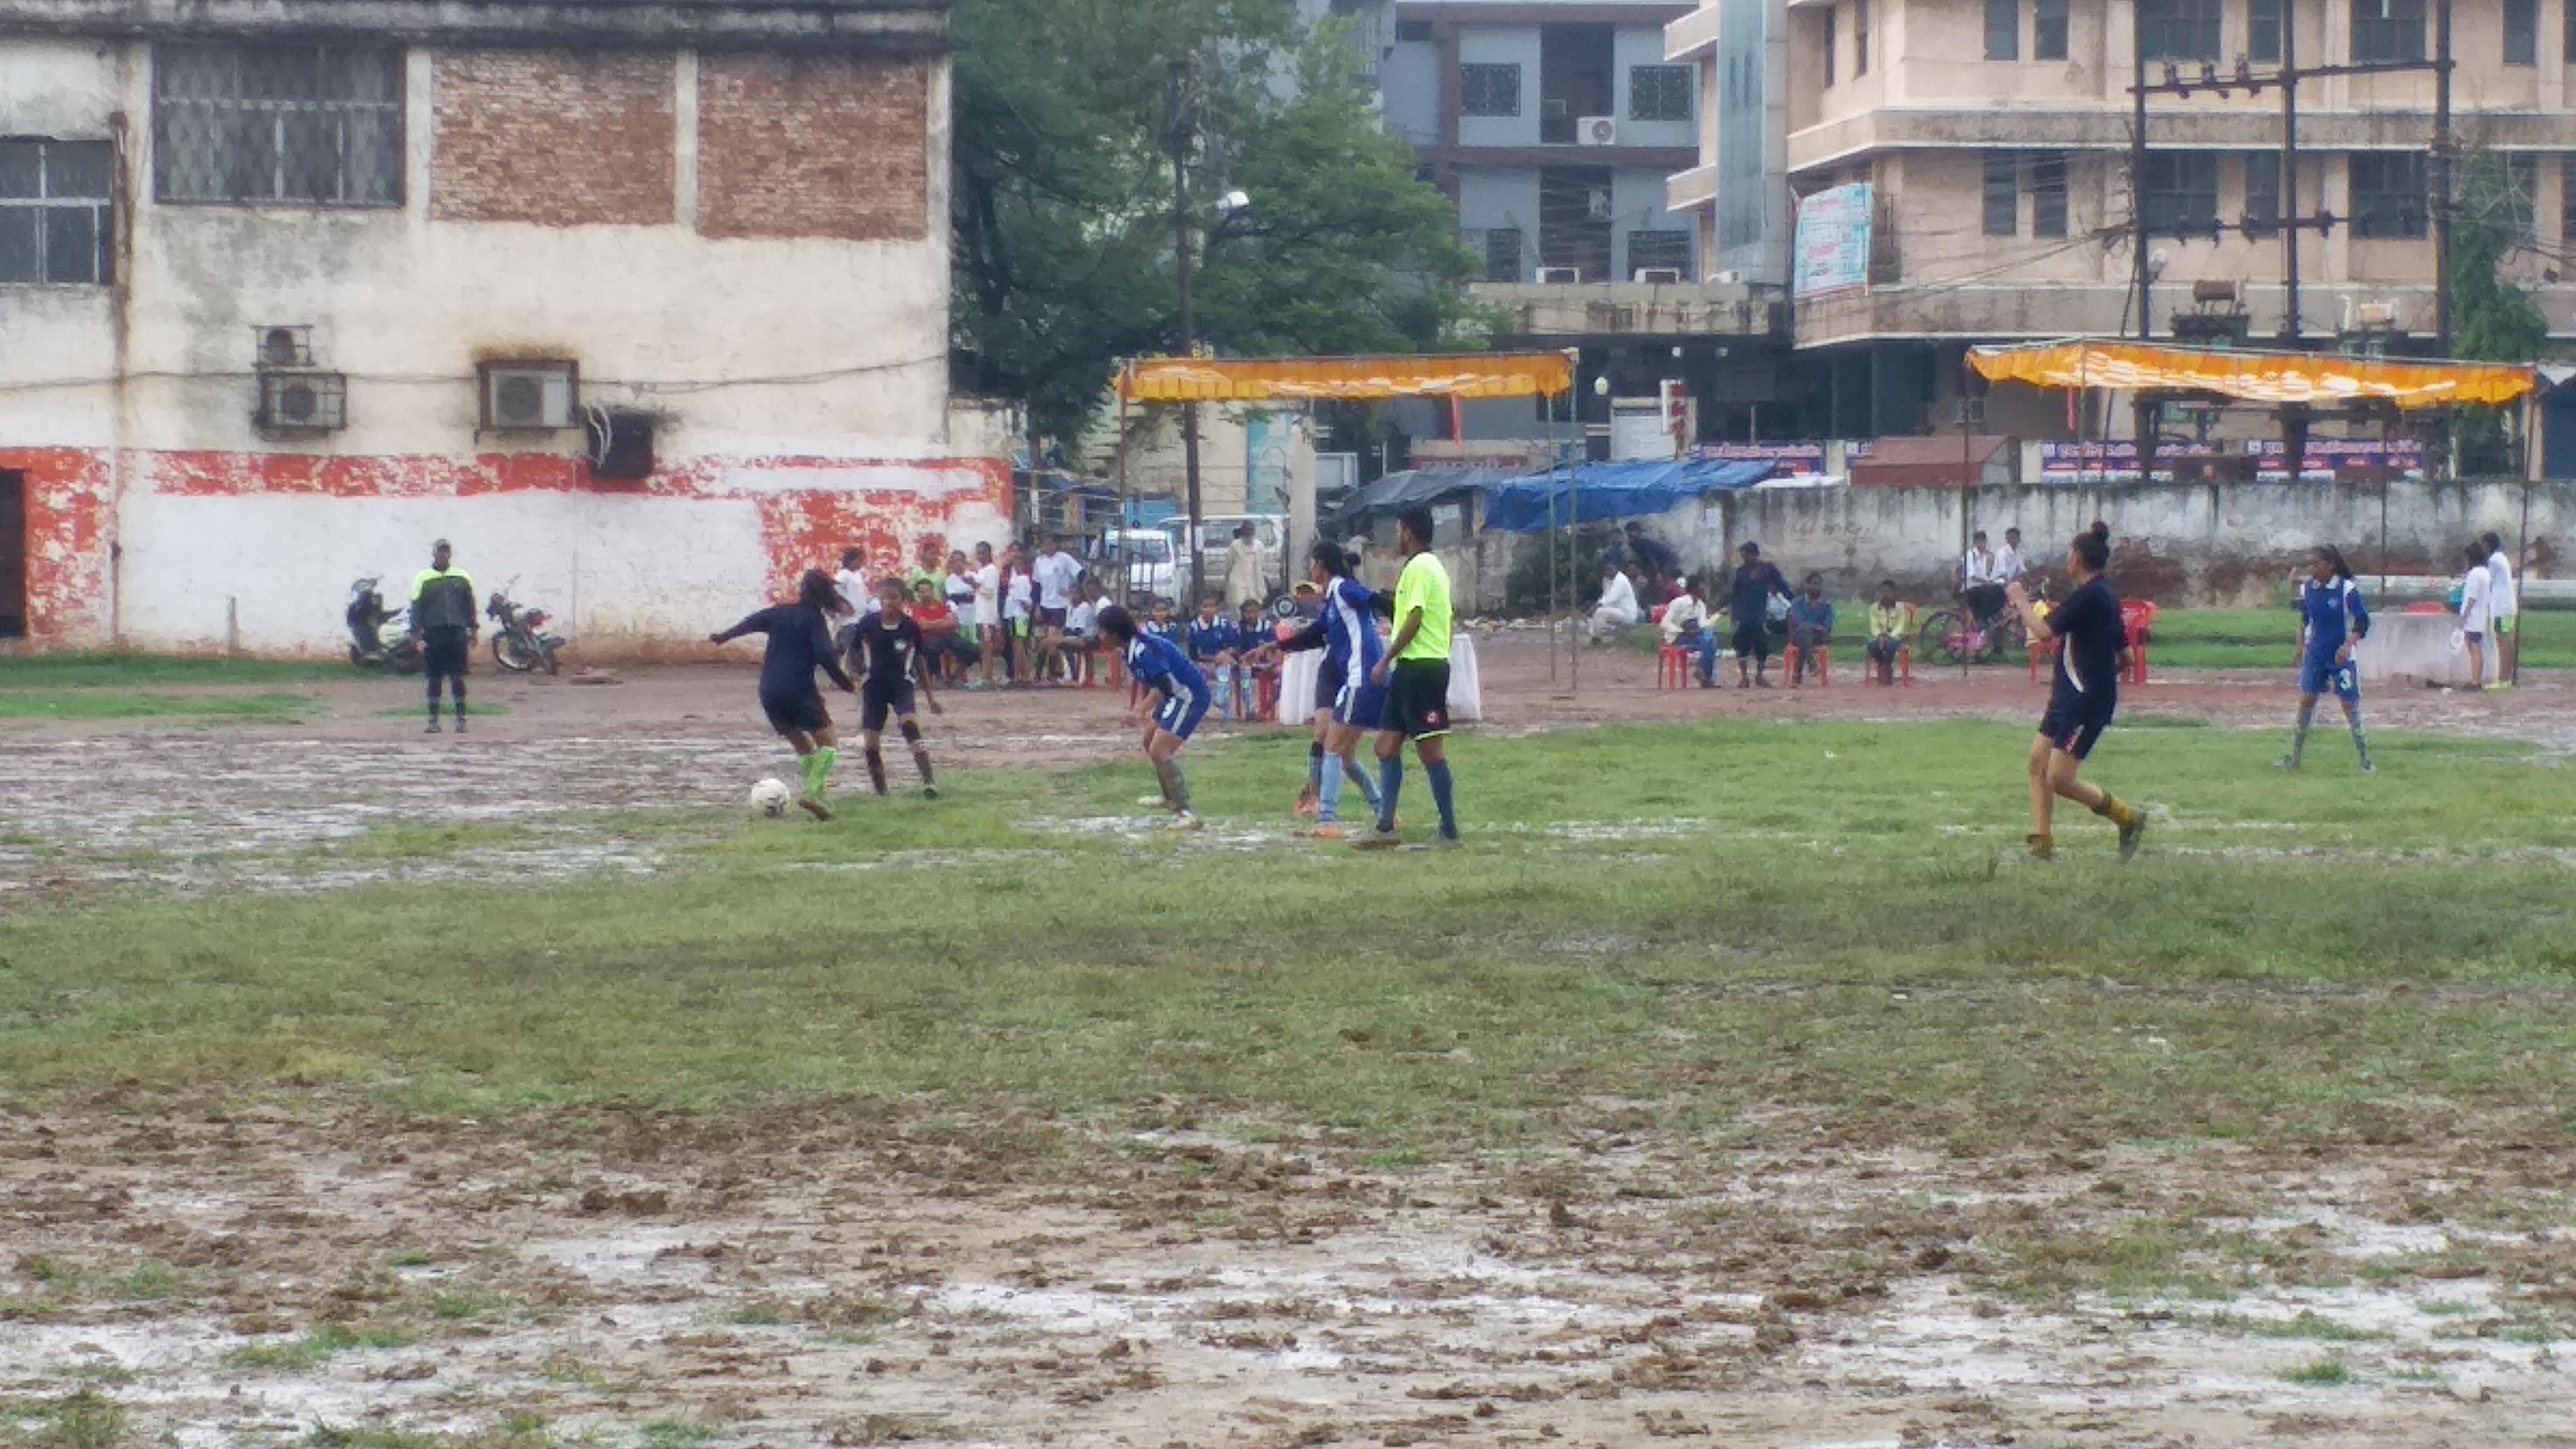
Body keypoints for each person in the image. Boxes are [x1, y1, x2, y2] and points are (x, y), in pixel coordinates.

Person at [2008, 523, 2146, 862]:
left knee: (2060, 778)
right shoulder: (2102, 596)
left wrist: (2020, 601)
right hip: (2071, 696)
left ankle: (2128, 818)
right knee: (2037, 762)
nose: (2066, 560)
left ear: (2078, 559)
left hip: (2084, 700)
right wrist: (2096, 675)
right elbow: (2125, 658)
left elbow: (2042, 632)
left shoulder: (2090, 597)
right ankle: (2042, 845)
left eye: (2069, 554)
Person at [1258, 541, 1389, 835]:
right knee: (1344, 754)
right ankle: (1382, 811)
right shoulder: (1333, 600)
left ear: (1320, 564)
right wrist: (1277, 645)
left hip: (1361, 677)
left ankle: (1327, 819)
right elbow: (1317, 635)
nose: (1310, 569)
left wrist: (1405, 616)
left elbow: (1374, 599)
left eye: (1312, 563)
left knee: (1331, 747)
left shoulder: (1343, 588)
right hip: (1363, 677)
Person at [710, 569, 859, 820]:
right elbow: (824, 655)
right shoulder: (814, 620)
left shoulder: (779, 613)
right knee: (830, 742)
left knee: (804, 748)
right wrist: (845, 683)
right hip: (798, 689)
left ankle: (818, 796)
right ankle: (812, 792)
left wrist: (724, 636)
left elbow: (751, 622)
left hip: (769, 691)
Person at [1357, 505, 1461, 850]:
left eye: (1398, 529)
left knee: (1430, 750)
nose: (1395, 536)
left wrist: (1385, 658)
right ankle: (1385, 827)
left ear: (1409, 532)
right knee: (1385, 747)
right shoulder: (1429, 568)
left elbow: (1415, 617)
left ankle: (1449, 831)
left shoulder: (1420, 568)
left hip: (1422, 669)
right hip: (1412, 668)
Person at [1098, 603, 1211, 831]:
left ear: (1112, 633)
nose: (1099, 636)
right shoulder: (1130, 649)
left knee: (1160, 750)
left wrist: (1140, 710)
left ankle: (1187, 812)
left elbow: (1163, 684)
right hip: (1174, 696)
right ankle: (1170, 796)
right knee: (1149, 742)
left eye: (1102, 631)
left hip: (1188, 696)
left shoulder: (1143, 650)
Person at [2276, 546, 2374, 774]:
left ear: (2330, 565)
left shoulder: (2345, 589)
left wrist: (2348, 644)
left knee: (2350, 706)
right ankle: (2295, 758)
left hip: (2340, 657)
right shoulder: (2308, 588)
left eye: (2316, 564)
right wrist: (2299, 648)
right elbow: (2305, 620)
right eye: (2310, 564)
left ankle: (2365, 761)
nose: (2312, 569)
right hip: (2316, 655)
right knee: (2306, 702)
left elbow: (2363, 622)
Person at [851, 578, 943, 798]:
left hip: (902, 684)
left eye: (895, 598)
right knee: (871, 742)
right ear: (878, 599)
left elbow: (919, 661)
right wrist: (855, 677)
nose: (889, 602)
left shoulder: (910, 627)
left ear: (904, 600)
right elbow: (852, 654)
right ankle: (881, 792)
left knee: (909, 724)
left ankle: (929, 781)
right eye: (885, 597)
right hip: (874, 687)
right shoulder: (867, 625)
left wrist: (930, 697)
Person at [409, 539, 479, 735]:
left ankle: (461, 720)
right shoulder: (423, 578)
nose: (443, 556)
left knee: (458, 678)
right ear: (434, 554)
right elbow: (416, 607)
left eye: (446, 552)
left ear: (450, 555)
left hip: (456, 633)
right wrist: (415, 633)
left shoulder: (462, 577)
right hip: (434, 633)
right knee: (434, 678)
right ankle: (433, 721)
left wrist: (473, 630)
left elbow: (470, 606)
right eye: (440, 552)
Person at [1727, 542, 1791, 688]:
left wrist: (1791, 599)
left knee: (1761, 644)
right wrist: (1731, 607)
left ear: (1754, 554)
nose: (1744, 559)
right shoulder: (1741, 572)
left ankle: (1760, 675)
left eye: (1746, 555)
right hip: (1743, 612)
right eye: (1742, 556)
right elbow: (1734, 592)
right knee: (1741, 645)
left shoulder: (1767, 569)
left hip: (1760, 612)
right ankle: (1744, 677)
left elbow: (1781, 585)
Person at [1031, 533, 1083, 676]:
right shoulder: (1039, 562)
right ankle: (1041, 673)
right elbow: (1036, 586)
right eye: (1045, 544)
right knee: (1043, 641)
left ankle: (1064, 672)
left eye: (1050, 544)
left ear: (1056, 545)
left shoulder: (1063, 559)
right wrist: (1036, 606)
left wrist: (1073, 593)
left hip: (1060, 605)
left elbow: (1081, 573)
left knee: (1056, 640)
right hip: (1044, 604)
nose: (1048, 547)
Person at [911, 579, 977, 684]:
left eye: (928, 591)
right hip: (929, 638)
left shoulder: (943, 605)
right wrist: (943, 622)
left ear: (932, 591)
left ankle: (955, 675)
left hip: (949, 636)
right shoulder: (917, 608)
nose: (926, 594)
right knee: (931, 648)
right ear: (918, 594)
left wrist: (932, 624)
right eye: (922, 592)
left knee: (973, 651)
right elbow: (923, 627)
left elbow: (953, 623)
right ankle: (938, 676)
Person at [1186, 597, 1243, 719]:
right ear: (1200, 609)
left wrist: (1224, 655)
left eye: (1212, 606)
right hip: (1203, 663)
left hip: (1223, 661)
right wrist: (1213, 660)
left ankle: (1222, 703)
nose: (1209, 610)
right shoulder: (1194, 627)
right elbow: (1194, 654)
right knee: (1199, 674)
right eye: (1206, 607)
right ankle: (1200, 712)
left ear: (1217, 609)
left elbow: (1234, 646)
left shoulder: (1224, 625)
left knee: (1225, 669)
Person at [1658, 576, 1718, 687]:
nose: (1703, 590)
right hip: (1678, 637)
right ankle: (1706, 675)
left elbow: (1702, 625)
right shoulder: (1679, 603)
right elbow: (1665, 623)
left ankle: (1704, 673)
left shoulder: (1701, 605)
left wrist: (1716, 617)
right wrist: (1682, 631)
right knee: (1709, 641)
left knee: (1710, 639)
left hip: (1695, 637)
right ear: (1694, 588)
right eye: (1701, 587)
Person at [2483, 531, 2518, 690]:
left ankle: (2504, 677)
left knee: (2503, 641)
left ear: (2487, 545)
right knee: (2506, 640)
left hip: (2501, 606)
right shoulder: (2502, 558)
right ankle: (2507, 675)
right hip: (2506, 605)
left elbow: (2487, 580)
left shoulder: (2494, 561)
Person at [2456, 541, 2494, 691]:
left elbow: (2471, 598)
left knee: (2474, 648)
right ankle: (2475, 678)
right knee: (2475, 647)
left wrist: (2463, 617)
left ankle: (2475, 680)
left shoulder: (2474, 575)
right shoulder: (2485, 573)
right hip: (2481, 614)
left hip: (2473, 616)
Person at [1787, 572, 1834, 681]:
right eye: (1813, 584)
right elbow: (1799, 622)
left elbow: (1828, 625)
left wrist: (1814, 627)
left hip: (1819, 637)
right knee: (1804, 633)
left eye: (1819, 584)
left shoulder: (1826, 605)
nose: (1816, 587)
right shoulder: (1797, 603)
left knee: (1804, 634)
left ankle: (1798, 672)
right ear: (1807, 586)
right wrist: (1817, 627)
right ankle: (1811, 664)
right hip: (1800, 635)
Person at [999, 544, 1035, 684]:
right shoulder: (1015, 577)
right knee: (1018, 645)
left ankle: (1019, 674)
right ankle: (1024, 674)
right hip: (1015, 614)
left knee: (1019, 645)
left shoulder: (1022, 580)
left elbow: (1023, 600)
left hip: (1019, 615)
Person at [1865, 581, 1914, 685]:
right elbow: (1874, 626)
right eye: (1883, 592)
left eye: (1889, 592)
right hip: (1879, 637)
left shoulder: (1900, 607)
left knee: (1890, 645)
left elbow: (1900, 626)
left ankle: (1886, 666)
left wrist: (1889, 636)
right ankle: (1882, 666)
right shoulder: (1874, 608)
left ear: (1894, 594)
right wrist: (1880, 636)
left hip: (1896, 637)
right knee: (1872, 646)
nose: (1886, 595)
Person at [970, 542, 1003, 688]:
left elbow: (990, 593)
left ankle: (986, 677)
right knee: (984, 646)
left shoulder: (990, 571)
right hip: (981, 613)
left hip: (987, 615)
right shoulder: (982, 571)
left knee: (987, 647)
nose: (980, 556)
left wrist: (976, 587)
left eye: (983, 553)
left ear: (989, 554)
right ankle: (986, 675)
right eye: (978, 553)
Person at [1621, 522, 1682, 598]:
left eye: (1633, 531)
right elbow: (1643, 560)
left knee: (1664, 581)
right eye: (1629, 532)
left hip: (1668, 560)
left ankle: (1667, 597)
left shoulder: (1643, 541)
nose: (1631, 534)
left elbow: (1652, 558)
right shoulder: (1634, 543)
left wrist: (1658, 573)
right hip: (1659, 563)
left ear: (1638, 531)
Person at [1961, 531, 2006, 626]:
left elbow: (1988, 575)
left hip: (1981, 586)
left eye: (1985, 543)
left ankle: (1992, 617)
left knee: (2001, 591)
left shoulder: (1984, 556)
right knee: (1991, 591)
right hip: (1970, 588)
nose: (1983, 545)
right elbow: (1972, 576)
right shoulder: (1970, 555)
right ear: (1976, 543)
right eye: (1981, 543)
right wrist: (1986, 582)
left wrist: (1994, 580)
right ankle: (1982, 619)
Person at [1589, 562, 1641, 644]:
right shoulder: (1607, 580)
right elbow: (1605, 598)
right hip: (1617, 612)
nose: (1608, 572)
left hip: (1628, 615)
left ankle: (1597, 639)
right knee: (1597, 613)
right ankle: (1596, 637)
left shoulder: (1621, 580)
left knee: (1600, 613)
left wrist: (1595, 607)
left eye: (1610, 569)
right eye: (1606, 570)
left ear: (1616, 569)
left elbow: (1611, 599)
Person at [1223, 522, 1267, 613]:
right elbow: (1228, 565)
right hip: (1239, 582)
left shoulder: (1259, 546)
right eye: (1247, 531)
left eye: (1251, 531)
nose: (1249, 533)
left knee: (1254, 608)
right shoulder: (1235, 546)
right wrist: (1228, 581)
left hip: (1255, 582)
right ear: (1242, 532)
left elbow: (1262, 564)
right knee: (1238, 609)